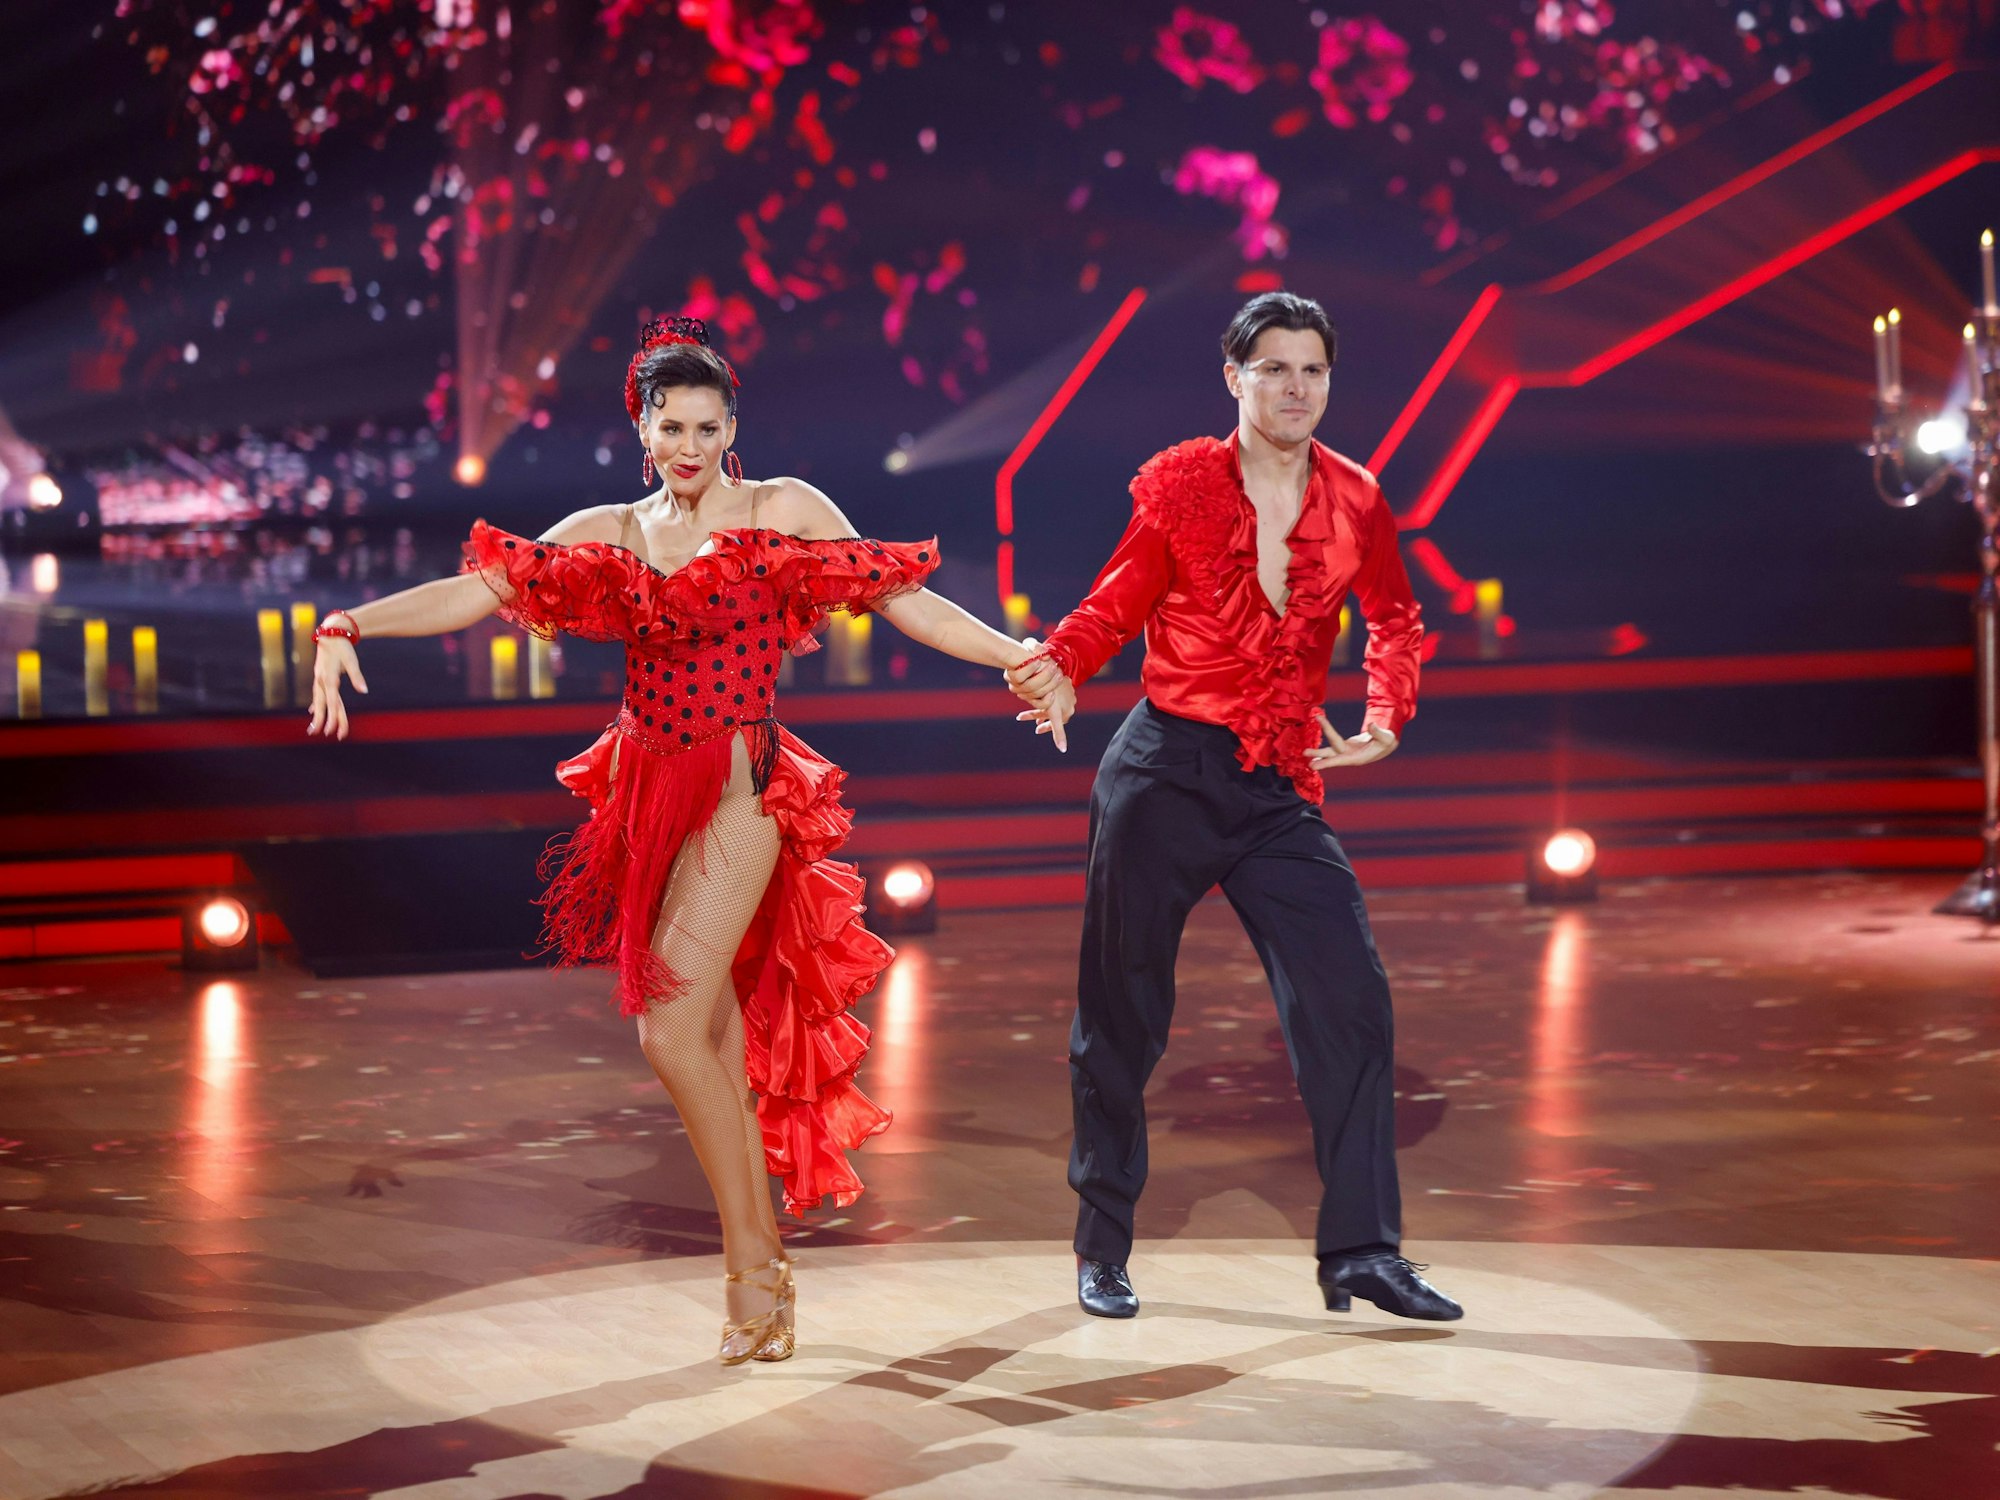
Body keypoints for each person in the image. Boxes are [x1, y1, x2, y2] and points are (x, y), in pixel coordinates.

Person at [306, 316, 1045, 1364]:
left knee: (665, 1029)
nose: (688, 444)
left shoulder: (778, 511)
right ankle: (761, 1275)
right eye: (670, 426)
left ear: (731, 425)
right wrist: (347, 625)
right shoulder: (608, 529)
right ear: (642, 430)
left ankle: (753, 1265)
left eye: (706, 425)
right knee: (705, 1046)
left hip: (742, 782)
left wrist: (1015, 653)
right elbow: (480, 590)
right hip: (648, 792)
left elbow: (901, 599)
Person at [1008, 291, 1463, 1323]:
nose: (1295, 388)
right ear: (1234, 378)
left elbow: (1393, 613)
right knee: (1121, 1018)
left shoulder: (1354, 497)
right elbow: (1114, 599)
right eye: (1274, 369)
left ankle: (1360, 1250)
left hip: (1275, 786)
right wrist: (1062, 667)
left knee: (1350, 1001)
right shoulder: (1180, 486)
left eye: (1312, 369)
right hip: (1163, 770)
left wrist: (1386, 707)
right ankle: (1102, 1248)